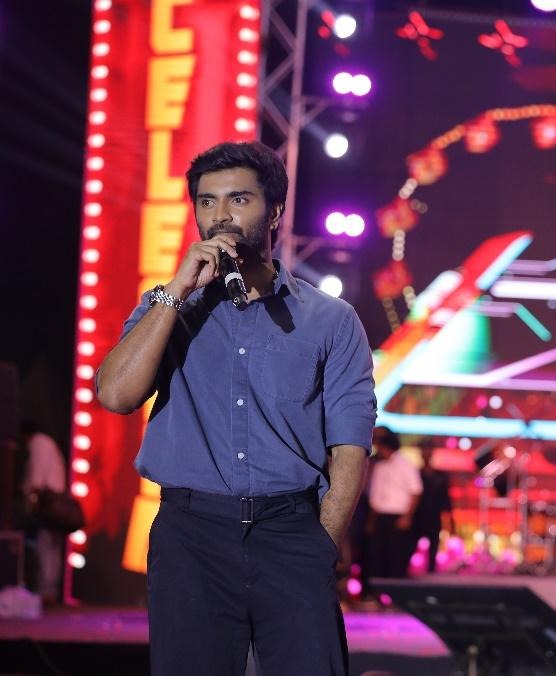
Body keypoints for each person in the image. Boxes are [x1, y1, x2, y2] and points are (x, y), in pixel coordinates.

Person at [96, 141, 376, 676]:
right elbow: (115, 396)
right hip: (191, 535)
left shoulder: (331, 320)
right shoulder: (167, 308)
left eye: (238, 199)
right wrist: (177, 290)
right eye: (207, 202)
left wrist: (321, 542)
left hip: (291, 532)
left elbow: (350, 443)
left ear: (274, 211)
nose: (220, 215)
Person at [364, 427, 422, 585]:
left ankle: (394, 592)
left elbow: (416, 492)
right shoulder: (377, 466)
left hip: (398, 517)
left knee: (396, 558)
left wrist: (407, 517)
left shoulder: (405, 464)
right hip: (379, 517)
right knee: (376, 557)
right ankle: (375, 592)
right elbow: (374, 495)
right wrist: (371, 521)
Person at [20, 421, 67, 605]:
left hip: (47, 502)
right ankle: (50, 590)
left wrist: (30, 502)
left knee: (45, 546)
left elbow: (36, 477)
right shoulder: (49, 443)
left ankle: (45, 592)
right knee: (52, 548)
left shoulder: (38, 443)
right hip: (57, 500)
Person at [412, 438, 455, 573]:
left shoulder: (441, 476)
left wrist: (449, 520)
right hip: (417, 515)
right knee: (411, 543)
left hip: (434, 515)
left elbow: (445, 499)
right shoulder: (415, 473)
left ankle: (431, 568)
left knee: (434, 543)